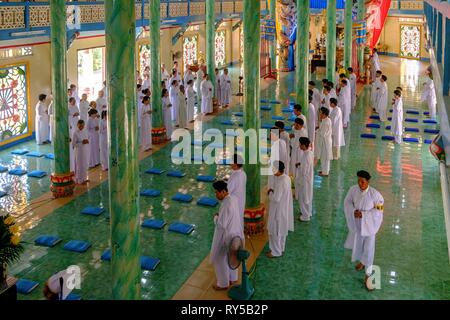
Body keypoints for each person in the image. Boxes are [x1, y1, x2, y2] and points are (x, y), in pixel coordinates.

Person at [344, 170, 384, 290]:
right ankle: (362, 261)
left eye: (362, 181)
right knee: (359, 245)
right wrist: (353, 211)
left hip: (369, 227)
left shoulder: (375, 195)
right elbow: (347, 202)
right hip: (357, 226)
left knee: (369, 250)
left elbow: (379, 211)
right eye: (358, 181)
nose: (360, 184)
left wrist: (364, 215)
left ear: (368, 182)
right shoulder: (353, 190)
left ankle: (368, 274)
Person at [210, 180, 244, 290]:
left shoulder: (225, 204)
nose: (216, 195)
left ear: (224, 191)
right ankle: (233, 278)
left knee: (220, 259)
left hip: (226, 237)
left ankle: (223, 283)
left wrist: (216, 218)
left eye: (217, 192)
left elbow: (221, 224)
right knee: (232, 256)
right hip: (235, 235)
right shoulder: (233, 198)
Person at [266, 161, 294, 258]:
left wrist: (270, 193)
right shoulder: (286, 178)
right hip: (284, 208)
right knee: (281, 230)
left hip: (277, 210)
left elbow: (276, 198)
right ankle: (281, 248)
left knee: (275, 230)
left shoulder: (280, 181)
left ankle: (275, 252)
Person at [292, 137, 314, 222]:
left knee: (303, 197)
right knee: (308, 196)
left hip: (304, 180)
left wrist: (299, 166)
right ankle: (308, 212)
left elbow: (304, 171)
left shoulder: (306, 155)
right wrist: (300, 164)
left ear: (304, 145)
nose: (299, 145)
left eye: (300, 144)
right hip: (308, 180)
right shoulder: (309, 153)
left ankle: (305, 216)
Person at [227, 154, 247, 229]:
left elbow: (227, 191)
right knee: (239, 221)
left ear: (235, 164)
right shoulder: (243, 173)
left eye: (231, 161)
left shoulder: (235, 177)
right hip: (240, 202)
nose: (230, 163)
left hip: (234, 203)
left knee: (233, 224)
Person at [315, 107, 332, 176]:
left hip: (325, 142)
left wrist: (317, 131)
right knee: (323, 157)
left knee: (325, 158)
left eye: (321, 113)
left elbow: (323, 134)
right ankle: (324, 170)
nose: (320, 115)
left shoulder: (326, 122)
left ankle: (325, 172)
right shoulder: (325, 120)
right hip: (324, 142)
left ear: (324, 114)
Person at [72, 120, 89, 184]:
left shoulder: (84, 131)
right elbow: (73, 144)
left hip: (84, 150)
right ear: (77, 125)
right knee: (79, 165)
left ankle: (84, 178)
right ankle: (79, 180)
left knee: (84, 164)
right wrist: (82, 142)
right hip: (79, 151)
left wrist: (87, 141)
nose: (81, 127)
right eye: (80, 125)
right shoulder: (75, 133)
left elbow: (86, 139)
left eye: (83, 125)